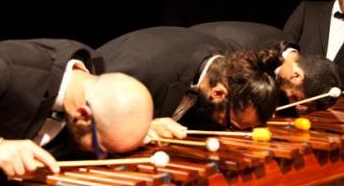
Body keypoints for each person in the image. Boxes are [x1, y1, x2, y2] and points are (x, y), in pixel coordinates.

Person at [0, 39, 153, 178]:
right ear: (83, 115)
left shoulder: (92, 75)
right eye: (100, 149)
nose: (101, 157)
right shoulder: (2, 71)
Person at [98, 26, 279, 139]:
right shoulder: (142, 68)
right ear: (218, 93)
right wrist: (143, 129)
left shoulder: (220, 65)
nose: (230, 133)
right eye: (231, 126)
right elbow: (89, 114)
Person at [190, 21, 342, 110]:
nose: (296, 106)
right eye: (296, 98)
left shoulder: (288, 51)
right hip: (186, 69)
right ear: (296, 75)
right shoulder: (244, 54)